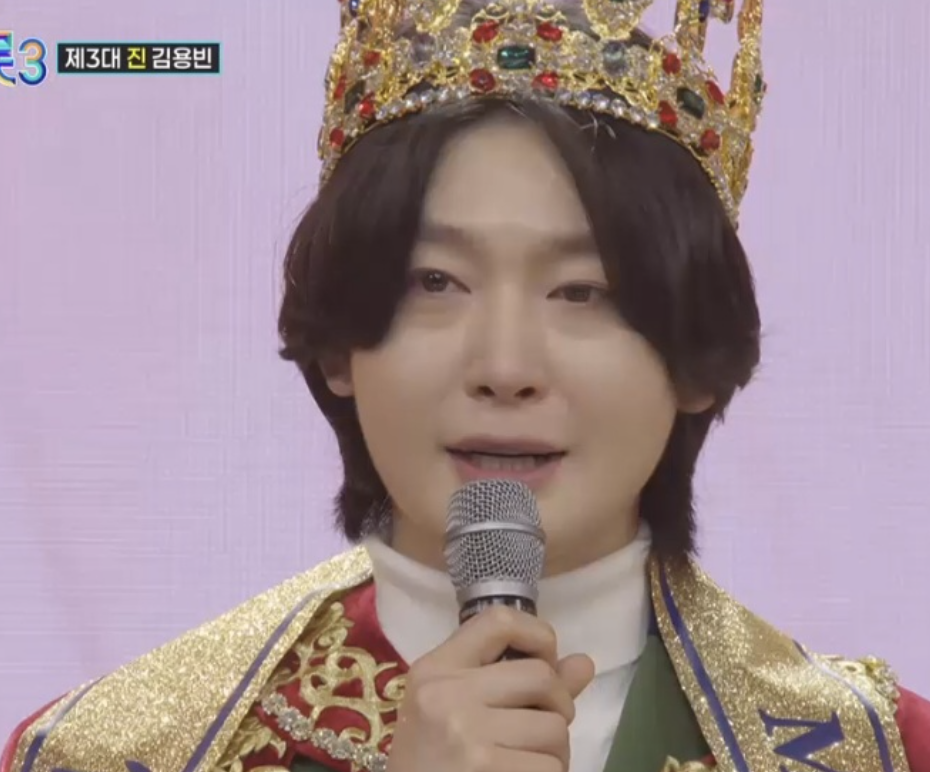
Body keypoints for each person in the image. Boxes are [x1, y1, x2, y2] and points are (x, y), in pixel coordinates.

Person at [3, 0, 929, 771]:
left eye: (583, 291)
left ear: (693, 357)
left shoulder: (881, 750)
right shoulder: (108, 752)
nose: (505, 369)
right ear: (341, 346)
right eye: (435, 283)